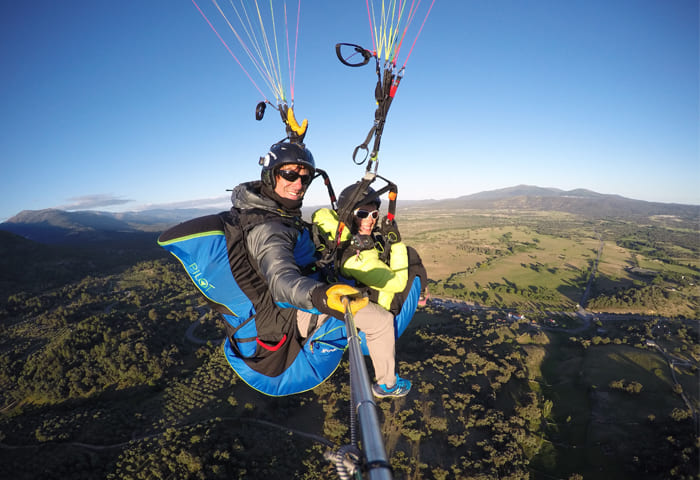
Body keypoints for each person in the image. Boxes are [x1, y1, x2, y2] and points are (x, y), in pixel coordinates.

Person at [231, 142, 411, 398]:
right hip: (292, 310)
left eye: (304, 177)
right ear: (271, 175)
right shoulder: (269, 229)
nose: (298, 183)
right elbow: (282, 282)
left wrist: (295, 140)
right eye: (290, 175)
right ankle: (387, 384)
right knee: (381, 321)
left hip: (303, 291)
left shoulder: (272, 209)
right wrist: (322, 297)